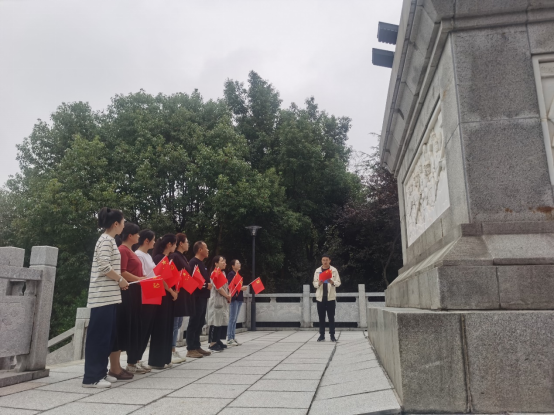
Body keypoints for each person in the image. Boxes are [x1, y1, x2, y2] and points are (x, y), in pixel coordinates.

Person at [83, 208, 129, 389]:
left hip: (109, 297)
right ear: (116, 223)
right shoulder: (105, 241)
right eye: (123, 222)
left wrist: (118, 281)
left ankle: (101, 373)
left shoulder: (110, 241)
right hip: (102, 296)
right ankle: (91, 378)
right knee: (99, 337)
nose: (124, 225)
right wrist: (120, 279)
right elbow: (104, 266)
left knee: (107, 337)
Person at [109, 223, 145, 382]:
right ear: (130, 235)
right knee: (120, 328)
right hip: (126, 293)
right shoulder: (123, 250)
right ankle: (114, 367)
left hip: (133, 293)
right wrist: (139, 279)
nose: (139, 237)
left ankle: (117, 366)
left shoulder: (129, 251)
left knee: (126, 329)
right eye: (137, 234)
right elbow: (122, 271)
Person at [149, 234, 179, 369]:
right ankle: (157, 360)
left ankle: (166, 358)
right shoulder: (158, 258)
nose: (175, 246)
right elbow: (159, 278)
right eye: (174, 244)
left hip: (169, 297)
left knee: (168, 326)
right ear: (169, 244)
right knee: (160, 327)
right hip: (162, 296)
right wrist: (171, 291)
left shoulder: (168, 258)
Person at [130, 229, 157, 375]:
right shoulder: (138, 255)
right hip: (143, 295)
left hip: (152, 293)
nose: (154, 242)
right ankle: (133, 361)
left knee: (146, 329)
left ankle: (138, 358)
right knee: (141, 329)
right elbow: (141, 275)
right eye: (153, 239)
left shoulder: (148, 255)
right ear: (146, 241)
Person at [187, 241, 213, 359]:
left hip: (203, 296)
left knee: (200, 321)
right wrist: (205, 285)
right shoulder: (193, 263)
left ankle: (197, 346)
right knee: (194, 321)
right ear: (200, 250)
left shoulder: (201, 263)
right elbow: (192, 280)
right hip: (196, 297)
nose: (208, 250)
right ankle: (190, 348)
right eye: (206, 248)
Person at [169, 233, 192, 364]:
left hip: (182, 293)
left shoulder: (183, 257)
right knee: (174, 323)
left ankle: (173, 348)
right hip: (176, 293)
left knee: (178, 323)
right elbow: (171, 273)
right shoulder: (174, 256)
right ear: (181, 243)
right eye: (186, 242)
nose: (188, 244)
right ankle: (170, 350)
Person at [313, 254, 342, 343]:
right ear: (321, 261)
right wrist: (319, 283)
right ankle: (322, 335)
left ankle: (332, 335)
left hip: (331, 297)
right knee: (321, 317)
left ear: (329, 260)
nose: (325, 262)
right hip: (320, 297)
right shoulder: (317, 271)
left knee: (331, 317)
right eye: (323, 260)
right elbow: (314, 283)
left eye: (326, 260)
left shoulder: (334, 270)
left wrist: (332, 282)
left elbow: (338, 282)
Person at [207, 256, 232, 352]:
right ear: (216, 263)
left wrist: (229, 294)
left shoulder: (223, 273)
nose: (224, 263)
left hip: (223, 300)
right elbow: (218, 288)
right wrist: (227, 296)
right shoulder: (215, 273)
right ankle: (212, 343)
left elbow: (226, 287)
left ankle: (217, 340)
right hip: (217, 301)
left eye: (225, 261)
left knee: (221, 321)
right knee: (215, 322)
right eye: (222, 261)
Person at [227, 260, 247, 347]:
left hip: (239, 298)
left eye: (239, 263)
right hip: (234, 298)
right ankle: (229, 338)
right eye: (237, 263)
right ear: (233, 266)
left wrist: (241, 288)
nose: (239, 264)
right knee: (232, 318)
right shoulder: (231, 274)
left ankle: (233, 337)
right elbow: (231, 286)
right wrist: (241, 288)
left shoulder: (238, 275)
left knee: (235, 319)